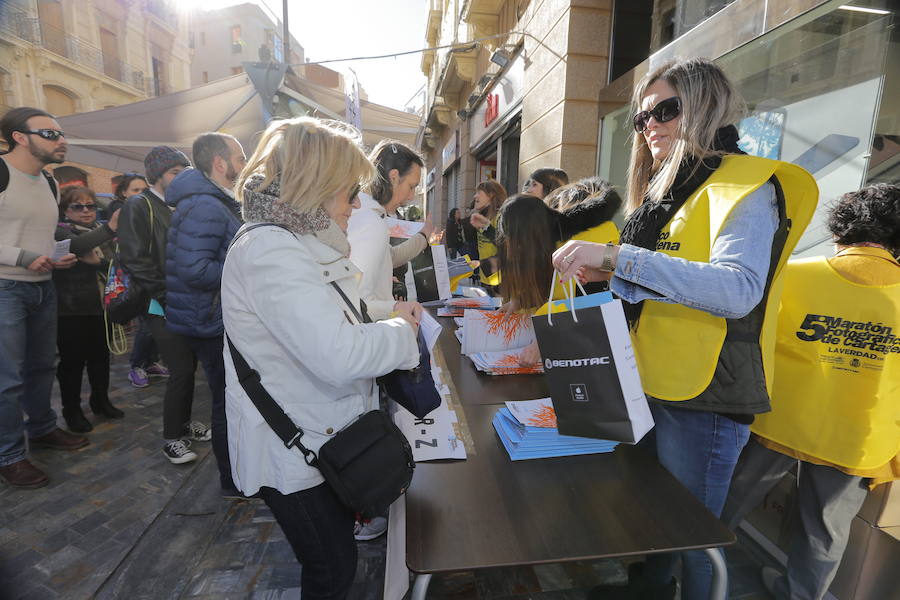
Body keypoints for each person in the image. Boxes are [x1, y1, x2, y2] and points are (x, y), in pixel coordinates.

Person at [551, 58, 818, 600]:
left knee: (696, 537)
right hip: (651, 380)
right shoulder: (666, 198)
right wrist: (609, 270)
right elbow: (665, 282)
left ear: (705, 106)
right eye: (642, 118)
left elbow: (738, 289)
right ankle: (647, 590)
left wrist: (617, 256)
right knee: (651, 515)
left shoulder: (747, 185)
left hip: (707, 395)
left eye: (665, 111)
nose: (650, 126)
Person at [223, 116, 421, 599]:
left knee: (335, 561)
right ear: (315, 186)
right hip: (294, 446)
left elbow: (327, 309)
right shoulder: (271, 247)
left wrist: (382, 309)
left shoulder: (293, 240)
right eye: (347, 190)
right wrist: (403, 331)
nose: (355, 204)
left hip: (316, 434)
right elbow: (336, 353)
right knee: (331, 569)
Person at [721, 183, 900, 600]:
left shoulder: (793, 275)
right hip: (855, 440)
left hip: (777, 421)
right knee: (824, 535)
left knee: (724, 506)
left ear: (841, 230)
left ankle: (694, 574)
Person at [0, 107, 86, 489]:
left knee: (41, 367)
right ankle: (10, 456)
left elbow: (37, 235)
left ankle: (42, 428)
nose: (61, 139)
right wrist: (25, 258)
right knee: (7, 379)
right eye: (50, 134)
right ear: (20, 137)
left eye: (61, 132)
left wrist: (53, 254)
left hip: (43, 285)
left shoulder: (50, 182)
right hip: (5, 288)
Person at [117, 146, 211, 465]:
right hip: (160, 302)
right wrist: (165, 295)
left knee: (188, 367)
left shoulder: (179, 206)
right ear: (156, 176)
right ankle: (172, 438)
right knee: (182, 368)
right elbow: (135, 259)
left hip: (183, 299)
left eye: (185, 169)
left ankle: (183, 424)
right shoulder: (139, 204)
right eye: (174, 171)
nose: (181, 175)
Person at [165, 132, 246, 494]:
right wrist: (245, 271)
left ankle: (238, 475)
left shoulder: (214, 201)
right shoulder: (205, 205)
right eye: (240, 159)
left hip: (210, 317)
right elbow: (195, 270)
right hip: (209, 321)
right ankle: (233, 480)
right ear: (219, 163)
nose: (244, 166)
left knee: (228, 398)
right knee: (226, 401)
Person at [498, 182, 621, 366]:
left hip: (593, 352)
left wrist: (543, 339)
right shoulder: (561, 238)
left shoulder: (583, 240)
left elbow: (591, 300)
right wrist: (522, 300)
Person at [53, 186, 123, 433]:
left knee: (101, 359)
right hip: (70, 310)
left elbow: (111, 264)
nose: (85, 211)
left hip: (99, 308)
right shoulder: (60, 231)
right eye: (77, 206)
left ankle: (100, 400)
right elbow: (76, 245)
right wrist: (110, 228)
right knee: (72, 364)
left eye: (90, 206)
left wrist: (99, 262)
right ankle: (71, 409)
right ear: (65, 210)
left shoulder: (97, 233)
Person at [348, 140, 434, 319]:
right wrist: (399, 308)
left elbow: (390, 256)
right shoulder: (370, 222)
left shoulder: (368, 215)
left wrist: (424, 235)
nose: (411, 197)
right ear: (393, 177)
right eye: (411, 187)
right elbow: (357, 302)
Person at [109, 173, 169, 388]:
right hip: (140, 280)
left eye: (143, 189)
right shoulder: (127, 211)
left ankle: (150, 361)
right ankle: (136, 365)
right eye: (135, 190)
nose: (140, 193)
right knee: (147, 326)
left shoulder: (151, 209)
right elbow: (133, 253)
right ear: (123, 193)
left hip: (153, 277)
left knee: (154, 325)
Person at [469, 179, 506, 291]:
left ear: (491, 195)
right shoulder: (482, 217)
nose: (475, 196)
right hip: (486, 277)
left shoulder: (501, 216)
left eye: (479, 193)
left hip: (500, 280)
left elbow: (506, 245)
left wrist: (486, 227)